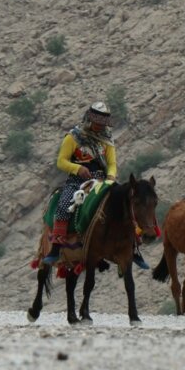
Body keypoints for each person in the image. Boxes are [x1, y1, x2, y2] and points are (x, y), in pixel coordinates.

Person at [42, 103, 118, 266]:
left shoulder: (107, 140)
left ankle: (131, 246)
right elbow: (61, 161)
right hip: (77, 181)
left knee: (124, 203)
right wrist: (77, 168)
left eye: (103, 122)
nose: (100, 125)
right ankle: (56, 248)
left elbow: (112, 163)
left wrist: (111, 177)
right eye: (97, 122)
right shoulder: (73, 137)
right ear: (89, 120)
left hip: (101, 182)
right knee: (63, 205)